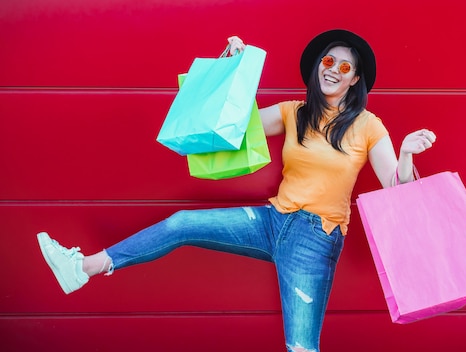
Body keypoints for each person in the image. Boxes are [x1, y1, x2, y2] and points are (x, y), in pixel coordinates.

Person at [37, 29, 436, 352]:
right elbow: (228, 126)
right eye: (328, 61)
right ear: (318, 67)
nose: (333, 69)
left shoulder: (369, 125)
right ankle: (83, 268)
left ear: (355, 78)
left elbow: (395, 189)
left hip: (315, 237)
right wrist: (229, 69)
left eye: (344, 66)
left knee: (300, 347)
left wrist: (403, 155)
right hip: (270, 220)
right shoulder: (294, 112)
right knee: (180, 224)